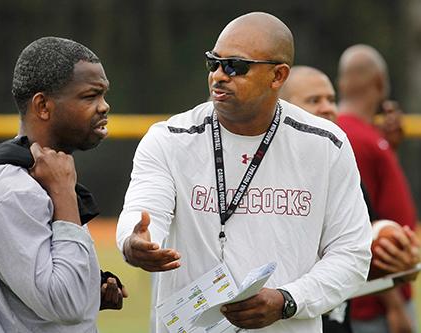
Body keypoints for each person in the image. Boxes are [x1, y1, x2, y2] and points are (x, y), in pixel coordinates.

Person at [116, 12, 372, 333]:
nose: (219, 76)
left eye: (236, 66)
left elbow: (352, 254)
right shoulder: (169, 139)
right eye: (214, 63)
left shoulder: (325, 144)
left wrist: (286, 300)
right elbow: (143, 214)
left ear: (278, 76)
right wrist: (134, 241)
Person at [0, 37, 127, 332]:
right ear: (43, 106)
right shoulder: (15, 191)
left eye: (104, 95)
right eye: (90, 96)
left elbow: (45, 295)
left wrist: (88, 290)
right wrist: (64, 195)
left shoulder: (35, 178)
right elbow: (65, 301)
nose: (104, 106)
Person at [280, 65, 421, 333]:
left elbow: (354, 252)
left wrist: (395, 265)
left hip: (337, 321)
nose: (327, 108)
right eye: (314, 100)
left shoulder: (342, 168)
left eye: (331, 99)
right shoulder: (269, 175)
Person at [337, 44, 420, 333]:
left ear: (342, 84)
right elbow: (362, 227)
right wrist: (395, 305)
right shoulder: (352, 139)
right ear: (380, 83)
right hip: (374, 302)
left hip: (383, 291)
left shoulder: (365, 133)